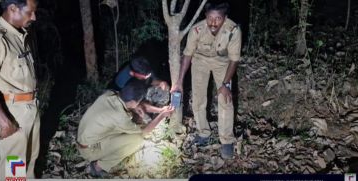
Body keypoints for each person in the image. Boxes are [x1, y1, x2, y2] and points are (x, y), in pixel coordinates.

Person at [171, 1, 242, 159]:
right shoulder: (197, 29)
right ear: (205, 16)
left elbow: (234, 59)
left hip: (223, 63)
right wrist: (179, 82)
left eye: (218, 18)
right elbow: (188, 55)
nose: (213, 23)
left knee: (225, 98)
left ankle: (227, 141)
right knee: (198, 98)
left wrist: (225, 84)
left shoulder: (233, 30)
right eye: (210, 18)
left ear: (225, 18)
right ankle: (203, 132)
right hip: (200, 61)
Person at [77, 79, 174, 177]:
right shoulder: (121, 118)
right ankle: (98, 166)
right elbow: (144, 132)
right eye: (139, 101)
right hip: (90, 150)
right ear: (132, 102)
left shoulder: (111, 94)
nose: (139, 103)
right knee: (137, 139)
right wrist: (162, 115)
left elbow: (135, 105)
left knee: (131, 122)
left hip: (84, 136)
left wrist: (160, 110)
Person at [0, 0, 39, 179]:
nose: (34, 17)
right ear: (13, 9)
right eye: (30, 12)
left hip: (31, 107)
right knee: (14, 166)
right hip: (14, 113)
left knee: (29, 160)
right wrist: (4, 123)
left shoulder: (19, 36)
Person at [109, 57, 184, 133]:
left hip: (135, 96)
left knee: (161, 91)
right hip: (123, 104)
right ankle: (155, 114)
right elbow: (137, 105)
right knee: (142, 118)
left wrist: (161, 82)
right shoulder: (123, 83)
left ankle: (158, 109)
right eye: (145, 76)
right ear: (133, 74)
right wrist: (160, 111)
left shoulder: (137, 67)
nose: (147, 76)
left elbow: (149, 81)